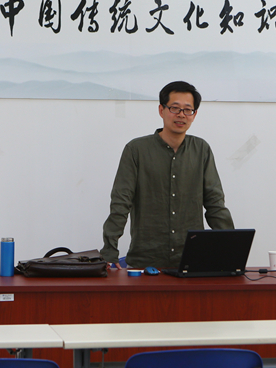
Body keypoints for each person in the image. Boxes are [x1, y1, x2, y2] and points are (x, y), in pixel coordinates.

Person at [100, 81, 234, 270]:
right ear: (161, 110)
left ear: (194, 114)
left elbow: (215, 204)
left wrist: (231, 249)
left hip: (191, 259)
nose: (181, 115)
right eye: (175, 108)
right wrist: (109, 250)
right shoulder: (136, 150)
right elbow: (121, 203)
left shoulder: (201, 149)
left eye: (188, 110)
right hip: (146, 261)